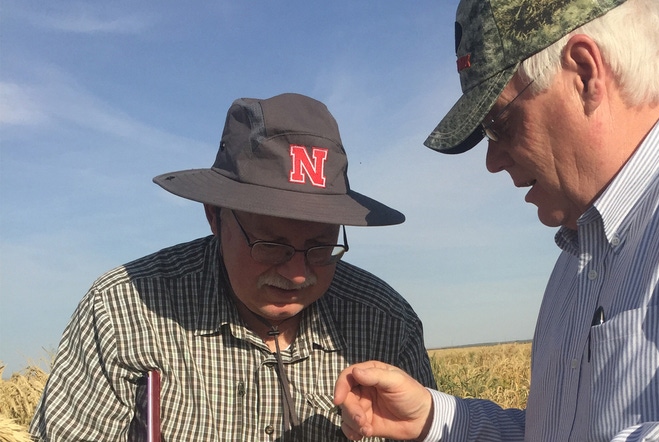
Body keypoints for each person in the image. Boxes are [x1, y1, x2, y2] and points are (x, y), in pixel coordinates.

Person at [333, 0, 659, 440]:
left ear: (584, 74)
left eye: (500, 123)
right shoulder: (580, 258)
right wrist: (435, 416)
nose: (492, 160)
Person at [30, 92, 436, 441]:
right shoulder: (124, 309)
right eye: (271, 245)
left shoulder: (387, 323)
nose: (297, 272)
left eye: (320, 246)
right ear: (215, 217)